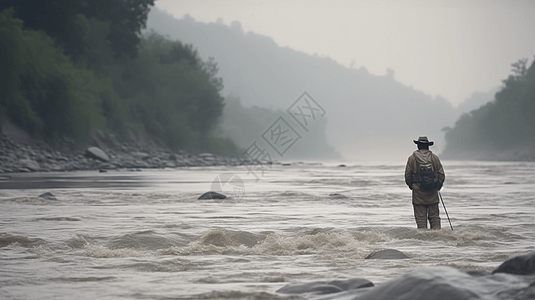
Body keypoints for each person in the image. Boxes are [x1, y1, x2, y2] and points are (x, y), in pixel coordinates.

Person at [405, 136, 445, 229]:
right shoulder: (434, 158)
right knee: (435, 218)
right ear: (428, 146)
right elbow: (441, 175)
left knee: (421, 219)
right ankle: (438, 239)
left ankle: (423, 241)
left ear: (418, 146)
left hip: (418, 192)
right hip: (432, 192)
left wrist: (413, 186)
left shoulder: (412, 158)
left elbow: (407, 176)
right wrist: (437, 186)